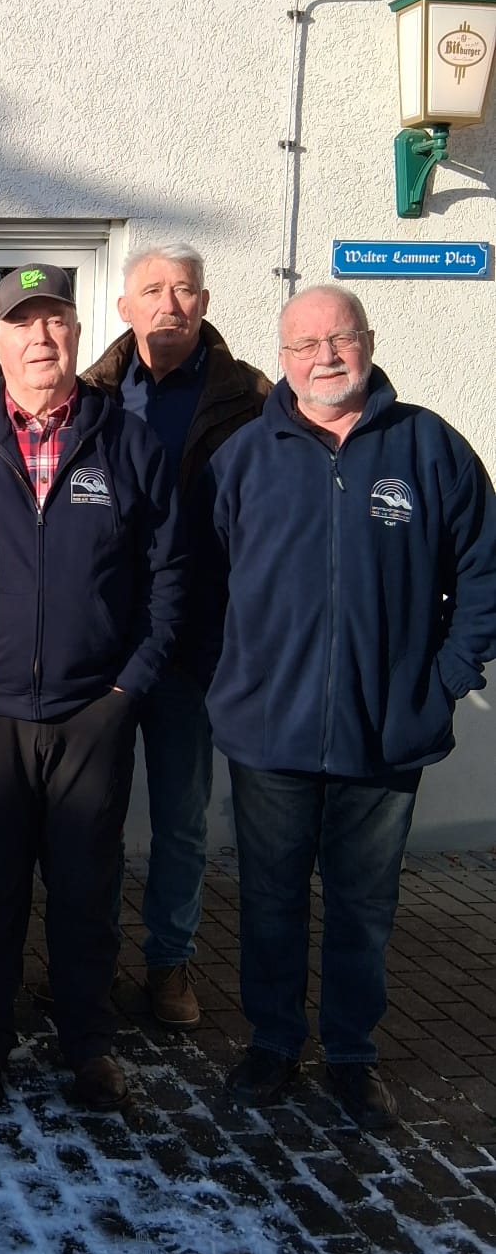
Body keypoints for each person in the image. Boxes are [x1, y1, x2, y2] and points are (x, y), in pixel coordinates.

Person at [209, 284, 496, 1130]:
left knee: (363, 906)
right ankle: (272, 1043)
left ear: (367, 341)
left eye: (339, 339)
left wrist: (446, 677)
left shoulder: (429, 447)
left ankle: (351, 1054)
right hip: (270, 730)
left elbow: (482, 572)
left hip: (388, 727)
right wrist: (234, 679)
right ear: (283, 358)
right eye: (305, 345)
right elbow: (202, 583)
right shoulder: (244, 457)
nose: (325, 357)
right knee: (270, 899)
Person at [0, 264, 183, 1113]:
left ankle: (88, 1045)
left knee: (86, 890)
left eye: (54, 320)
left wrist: (130, 685)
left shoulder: (128, 441)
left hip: (93, 709)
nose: (40, 338)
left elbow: (170, 575)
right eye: (22, 324)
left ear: (77, 332)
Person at [83, 243, 269, 1028]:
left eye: (185, 289)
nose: (170, 302)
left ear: (205, 302)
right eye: (153, 289)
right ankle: (89, 963)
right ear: (124, 307)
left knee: (182, 820)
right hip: (100, 646)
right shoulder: (89, 395)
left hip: (196, 645)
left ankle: (169, 964)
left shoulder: (252, 398)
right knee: (90, 816)